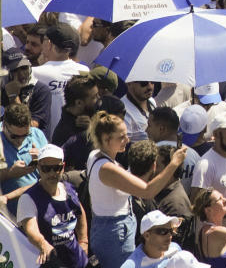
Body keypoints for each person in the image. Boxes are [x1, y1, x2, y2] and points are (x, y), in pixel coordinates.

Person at [86, 110, 187, 268]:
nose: (127, 140)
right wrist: (173, 164)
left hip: (112, 229)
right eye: (121, 137)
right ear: (106, 139)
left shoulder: (95, 155)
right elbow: (147, 191)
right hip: (115, 235)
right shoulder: (106, 168)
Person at [18, 144, 88, 267]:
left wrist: (83, 241)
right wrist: (43, 244)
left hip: (77, 260)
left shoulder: (69, 189)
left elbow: (80, 213)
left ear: (63, 167)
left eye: (56, 168)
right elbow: (30, 229)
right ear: (38, 167)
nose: (52, 173)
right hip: (50, 261)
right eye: (46, 168)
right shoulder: (29, 198)